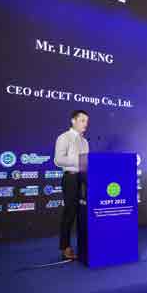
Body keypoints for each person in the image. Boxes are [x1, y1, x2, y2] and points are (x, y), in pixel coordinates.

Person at [54, 110, 90, 260]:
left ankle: (86, 245)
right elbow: (58, 160)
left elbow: (87, 163)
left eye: (86, 121)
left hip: (84, 179)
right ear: (73, 121)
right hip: (70, 178)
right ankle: (65, 247)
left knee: (85, 212)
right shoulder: (64, 137)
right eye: (82, 120)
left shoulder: (85, 141)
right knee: (70, 213)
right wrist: (78, 161)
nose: (85, 124)